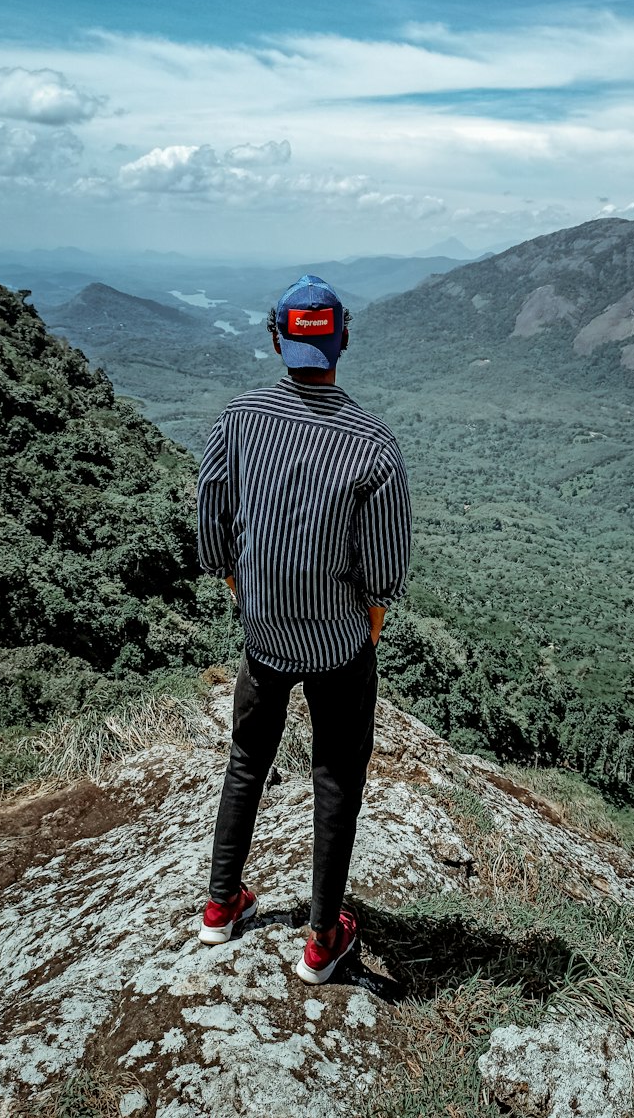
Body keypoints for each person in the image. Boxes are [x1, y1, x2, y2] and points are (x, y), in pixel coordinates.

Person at [195, 274, 412, 984]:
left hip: (263, 636)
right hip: (338, 644)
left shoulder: (240, 416)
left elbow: (212, 511)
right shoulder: (374, 446)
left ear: (277, 339)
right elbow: (383, 571)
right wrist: (368, 627)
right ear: (342, 338)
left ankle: (221, 907)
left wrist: (239, 585)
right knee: (335, 775)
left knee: (247, 760)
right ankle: (322, 940)